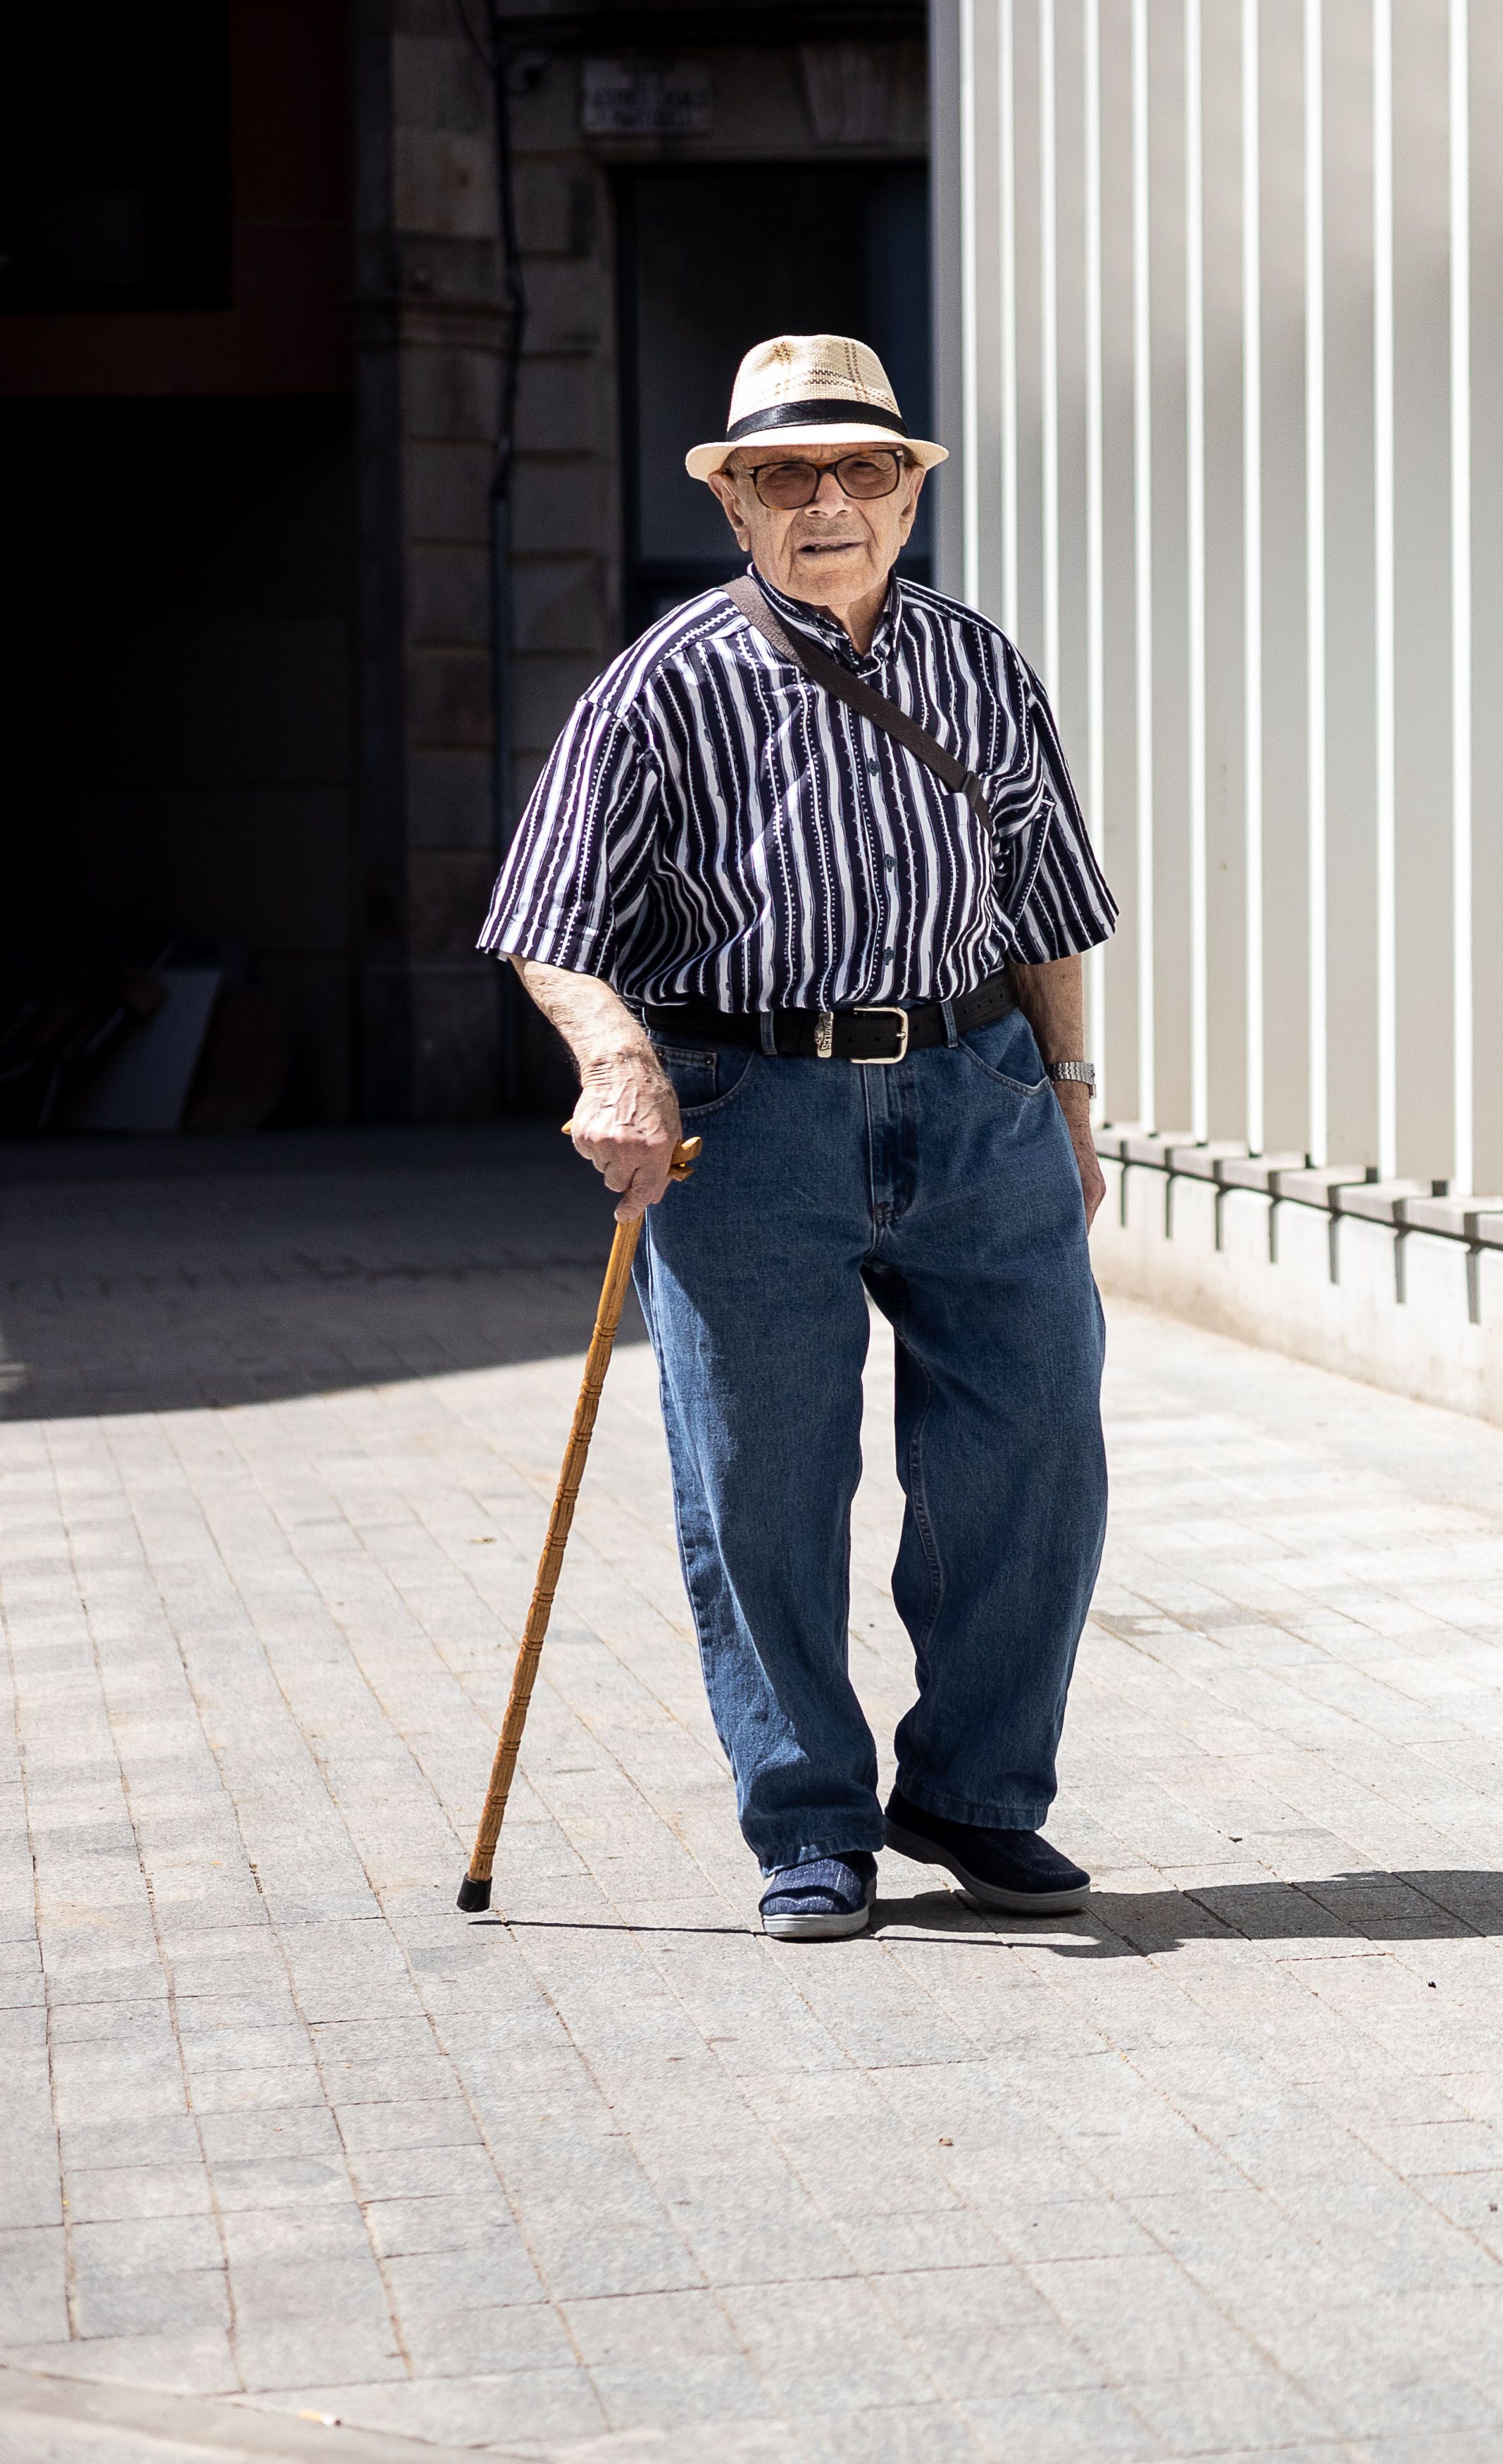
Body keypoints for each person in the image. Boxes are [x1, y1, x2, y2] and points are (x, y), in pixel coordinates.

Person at [480, 334, 1117, 1941]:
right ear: (736, 504)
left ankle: (975, 1798)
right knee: (762, 1480)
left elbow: (1046, 899)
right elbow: (551, 918)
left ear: (909, 496)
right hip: (752, 1112)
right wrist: (618, 1062)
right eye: (785, 475)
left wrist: (1072, 1092)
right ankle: (810, 1822)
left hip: (975, 1093)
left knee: (1034, 1447)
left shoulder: (978, 664)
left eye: (862, 471)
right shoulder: (663, 682)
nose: (826, 501)